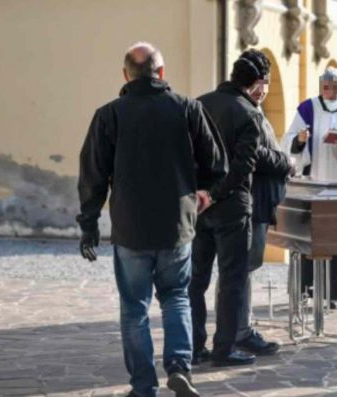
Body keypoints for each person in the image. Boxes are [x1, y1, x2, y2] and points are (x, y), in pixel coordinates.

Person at [77, 41, 226, 397]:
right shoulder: (188, 109)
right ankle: (178, 366)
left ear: (125, 74)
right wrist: (206, 194)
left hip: (131, 226)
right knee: (176, 297)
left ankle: (143, 386)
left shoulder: (109, 115)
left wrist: (89, 224)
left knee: (134, 308)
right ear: (161, 73)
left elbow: (92, 175)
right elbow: (217, 164)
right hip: (177, 224)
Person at [188, 50, 276, 367]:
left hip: (197, 206)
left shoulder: (198, 104)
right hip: (232, 208)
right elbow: (242, 169)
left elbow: (186, 156)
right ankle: (223, 349)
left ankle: (195, 347)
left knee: (195, 281)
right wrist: (215, 194)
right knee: (231, 281)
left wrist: (200, 194)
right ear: (254, 83)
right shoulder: (249, 114)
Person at [280, 66, 337, 303]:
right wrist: (300, 140)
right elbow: (287, 140)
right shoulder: (307, 108)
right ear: (320, 87)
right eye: (326, 87)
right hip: (314, 183)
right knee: (309, 237)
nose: (331, 91)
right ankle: (306, 290)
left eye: (335, 87)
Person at [234, 51, 291, 355]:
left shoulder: (254, 108)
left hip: (258, 203)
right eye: (260, 82)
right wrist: (285, 162)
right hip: (251, 203)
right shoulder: (247, 111)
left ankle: (240, 326)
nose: (263, 88)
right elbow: (257, 154)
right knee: (242, 268)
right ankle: (239, 330)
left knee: (244, 269)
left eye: (266, 83)